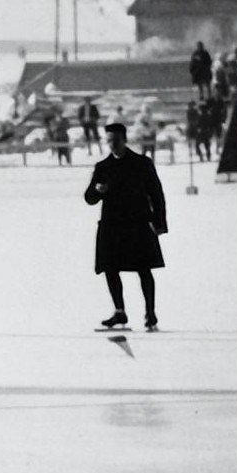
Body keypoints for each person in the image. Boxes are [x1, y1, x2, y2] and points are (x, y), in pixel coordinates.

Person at [85, 123, 167, 331]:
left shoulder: (141, 163)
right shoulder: (103, 167)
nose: (112, 145)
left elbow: (156, 194)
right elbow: (89, 198)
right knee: (110, 268)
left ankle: (150, 313)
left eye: (116, 140)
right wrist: (98, 190)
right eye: (109, 141)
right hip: (112, 226)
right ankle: (119, 311)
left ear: (125, 139)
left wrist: (159, 223)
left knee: (144, 269)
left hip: (137, 224)